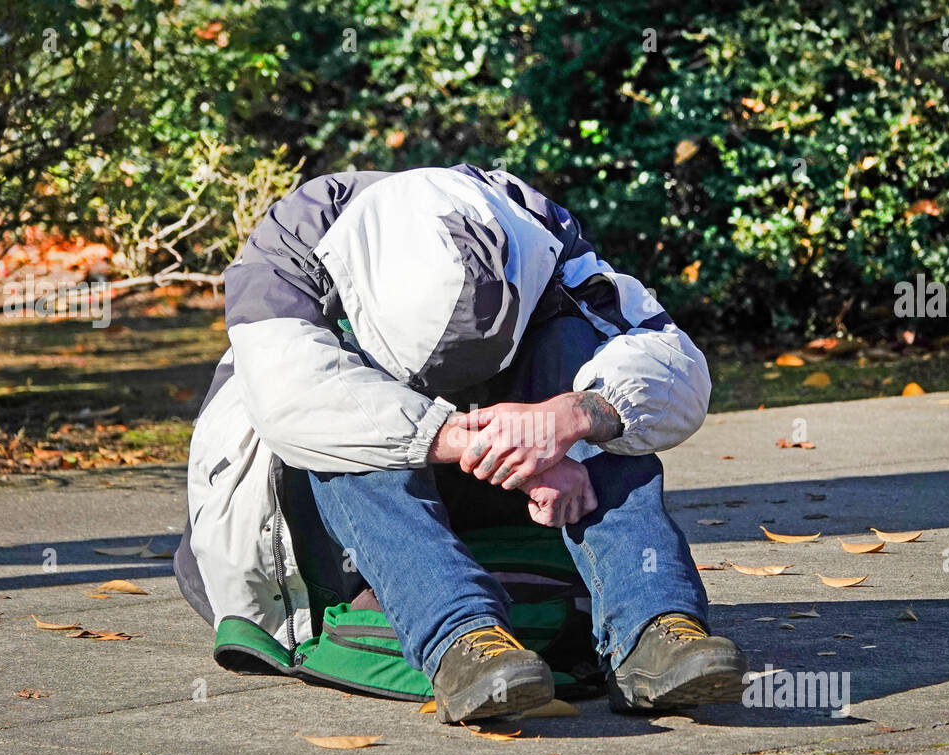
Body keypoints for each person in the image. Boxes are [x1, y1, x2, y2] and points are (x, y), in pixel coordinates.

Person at [175, 163, 747, 723]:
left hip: (498, 485)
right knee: (336, 428)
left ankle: (654, 628)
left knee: (593, 361)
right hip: (332, 530)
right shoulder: (290, 246)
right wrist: (480, 443)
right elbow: (294, 399)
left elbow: (672, 361)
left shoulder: (532, 225)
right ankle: (461, 640)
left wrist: (572, 420)